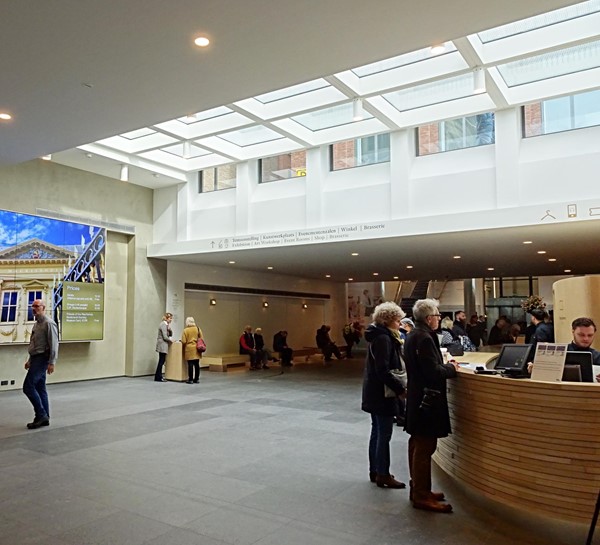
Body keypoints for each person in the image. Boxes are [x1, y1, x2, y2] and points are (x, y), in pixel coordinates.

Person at [404, 298, 458, 513]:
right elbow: (432, 372)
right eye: (437, 315)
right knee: (425, 447)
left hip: (417, 398)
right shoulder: (425, 338)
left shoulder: (412, 335)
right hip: (427, 400)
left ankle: (418, 488)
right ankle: (421, 495)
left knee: (416, 444)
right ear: (429, 318)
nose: (439, 319)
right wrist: (451, 368)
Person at [361, 302, 407, 489]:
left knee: (377, 431)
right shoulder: (384, 339)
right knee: (384, 434)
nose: (400, 324)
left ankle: (376, 470)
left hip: (374, 391)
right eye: (397, 321)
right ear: (388, 321)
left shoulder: (378, 336)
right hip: (382, 394)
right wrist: (400, 389)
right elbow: (383, 369)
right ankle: (383, 473)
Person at [23, 299, 59, 429]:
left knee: (28, 387)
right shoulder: (36, 324)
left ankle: (41, 414)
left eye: (37, 306)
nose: (33, 308)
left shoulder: (49, 324)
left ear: (43, 307)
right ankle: (45, 417)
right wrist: (30, 360)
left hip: (42, 359)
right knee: (40, 388)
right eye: (32, 306)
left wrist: (52, 362)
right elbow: (34, 343)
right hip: (36, 358)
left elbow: (54, 344)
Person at [181, 316, 203, 383]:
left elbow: (183, 341)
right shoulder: (198, 329)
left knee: (190, 364)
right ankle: (196, 379)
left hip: (189, 348)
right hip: (197, 348)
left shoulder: (185, 330)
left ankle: (190, 379)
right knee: (197, 364)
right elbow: (201, 338)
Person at [155, 312, 173, 382]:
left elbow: (170, 334)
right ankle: (158, 377)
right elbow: (165, 337)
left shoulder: (166, 325)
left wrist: (170, 329)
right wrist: (171, 341)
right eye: (170, 318)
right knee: (161, 361)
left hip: (164, 344)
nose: (171, 320)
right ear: (167, 318)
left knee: (162, 360)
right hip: (162, 344)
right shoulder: (163, 324)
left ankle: (158, 376)